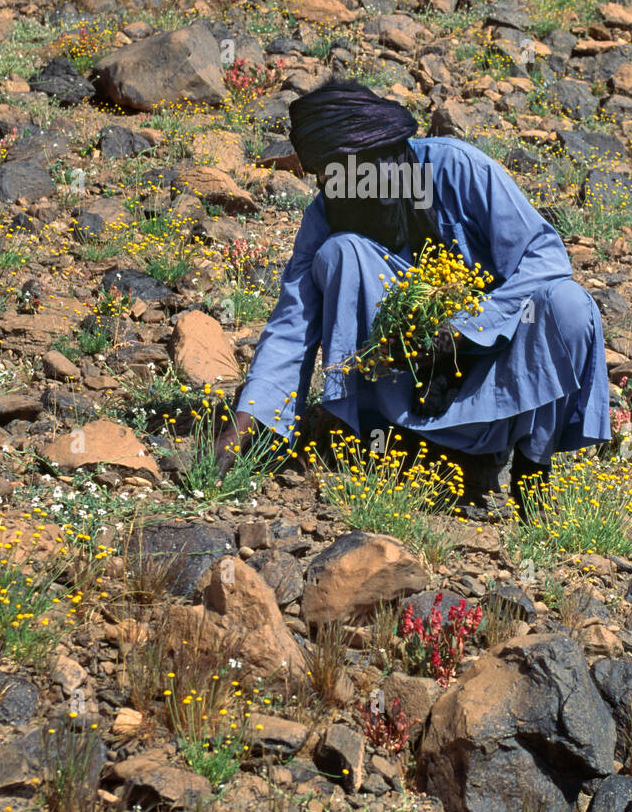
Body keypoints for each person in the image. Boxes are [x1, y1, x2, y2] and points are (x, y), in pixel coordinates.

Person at [215, 78, 611, 505]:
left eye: (342, 174)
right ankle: (359, 441)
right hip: (396, 388)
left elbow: (545, 257)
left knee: (570, 305)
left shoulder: (458, 169)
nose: (335, 190)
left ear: (378, 155)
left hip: (489, 380)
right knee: (339, 253)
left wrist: (465, 331)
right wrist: (246, 420)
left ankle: (532, 471)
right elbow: (293, 322)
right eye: (325, 179)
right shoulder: (329, 211)